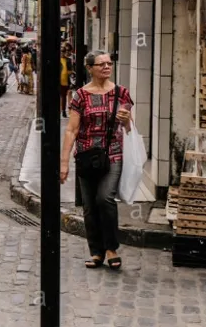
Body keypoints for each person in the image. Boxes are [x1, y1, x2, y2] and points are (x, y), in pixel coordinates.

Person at [60, 50, 132, 270]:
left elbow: (128, 128)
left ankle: (111, 248)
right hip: (86, 156)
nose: (106, 67)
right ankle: (96, 252)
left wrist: (127, 120)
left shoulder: (122, 93)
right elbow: (71, 130)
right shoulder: (80, 96)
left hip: (112, 154)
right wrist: (63, 163)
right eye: (101, 64)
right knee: (90, 206)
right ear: (89, 68)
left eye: (109, 63)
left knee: (105, 198)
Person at [61, 45, 73, 117]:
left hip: (65, 81)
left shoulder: (68, 60)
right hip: (58, 81)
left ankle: (63, 111)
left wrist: (69, 72)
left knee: (64, 97)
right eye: (61, 51)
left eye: (63, 51)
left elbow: (70, 70)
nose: (62, 53)